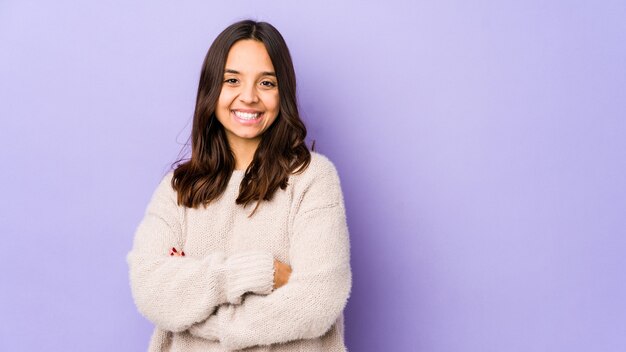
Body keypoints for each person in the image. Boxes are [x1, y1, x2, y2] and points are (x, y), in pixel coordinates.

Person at [126, 19, 352, 352]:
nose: (248, 97)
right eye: (232, 80)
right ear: (211, 89)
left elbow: (318, 301)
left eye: (266, 83)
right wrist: (262, 273)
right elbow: (150, 288)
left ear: (282, 93)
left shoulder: (313, 179)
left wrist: (196, 308)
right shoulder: (179, 188)